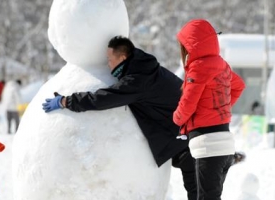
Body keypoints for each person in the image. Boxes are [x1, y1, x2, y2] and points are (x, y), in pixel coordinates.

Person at [42, 36, 197, 199]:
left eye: (110, 59)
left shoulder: (138, 80)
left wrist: (66, 101)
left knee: (200, 193)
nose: (108, 64)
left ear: (122, 57)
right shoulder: (146, 68)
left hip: (189, 141)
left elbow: (103, 99)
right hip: (190, 137)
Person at [173, 19, 246, 200]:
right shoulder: (221, 64)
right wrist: (219, 110)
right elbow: (239, 86)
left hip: (208, 145)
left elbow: (187, 104)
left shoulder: (198, 68)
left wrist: (176, 118)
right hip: (223, 142)